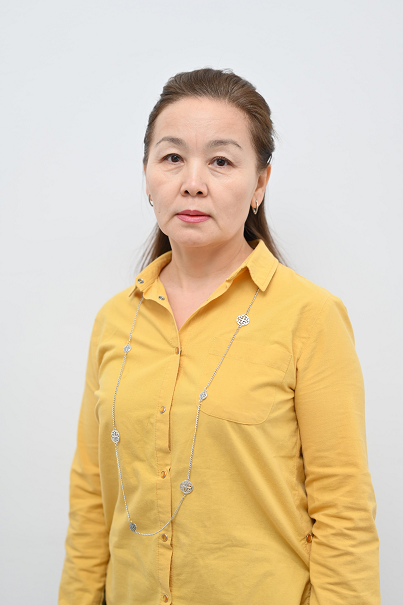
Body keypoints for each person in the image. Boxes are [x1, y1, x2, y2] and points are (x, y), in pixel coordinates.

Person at [59, 68, 380, 605]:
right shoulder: (115, 320)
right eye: (172, 157)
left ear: (260, 183)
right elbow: (92, 497)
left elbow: (343, 509)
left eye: (221, 161)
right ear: (147, 175)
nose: (192, 182)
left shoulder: (310, 316)